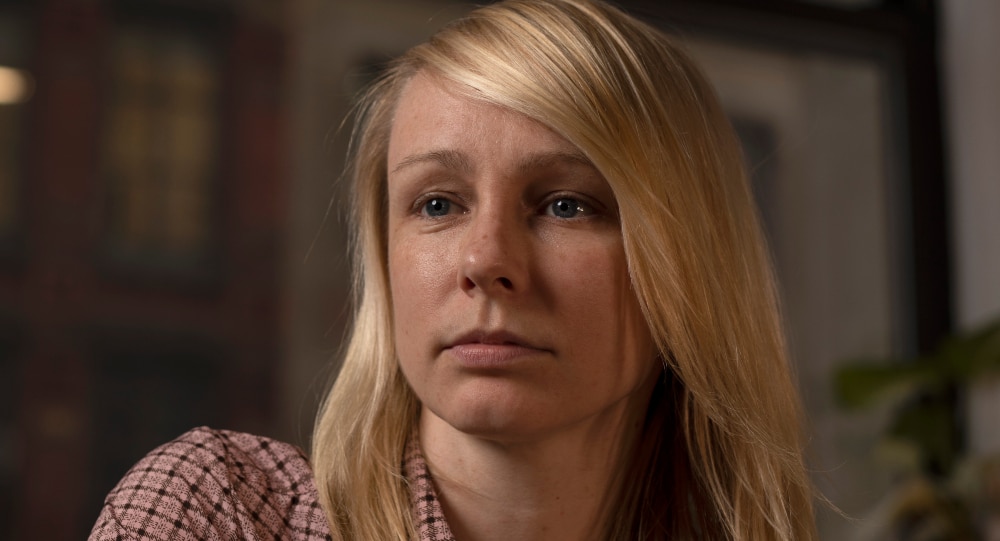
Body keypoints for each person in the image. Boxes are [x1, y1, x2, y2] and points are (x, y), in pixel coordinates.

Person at [90, 0, 817, 539]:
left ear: (690, 258)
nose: (485, 260)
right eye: (437, 203)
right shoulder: (221, 510)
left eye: (565, 204)